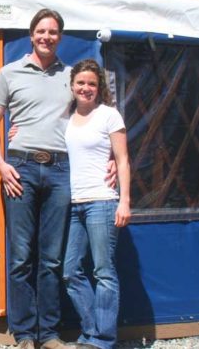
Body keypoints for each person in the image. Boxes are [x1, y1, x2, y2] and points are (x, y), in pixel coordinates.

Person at [0, 8, 74, 349]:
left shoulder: (72, 75)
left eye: (52, 32)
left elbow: (95, 117)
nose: (46, 37)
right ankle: (24, 334)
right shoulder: (10, 72)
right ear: (31, 34)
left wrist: (113, 156)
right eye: (41, 31)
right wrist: (0, 162)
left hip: (60, 169)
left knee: (51, 257)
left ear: (60, 37)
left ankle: (49, 333)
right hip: (19, 168)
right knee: (22, 255)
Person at [62, 59, 130, 349]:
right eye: (81, 83)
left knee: (103, 271)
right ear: (72, 85)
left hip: (102, 201)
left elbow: (123, 159)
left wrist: (125, 201)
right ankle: (92, 331)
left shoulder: (109, 115)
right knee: (70, 271)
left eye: (91, 83)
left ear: (99, 87)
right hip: (75, 203)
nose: (86, 88)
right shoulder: (66, 116)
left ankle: (102, 340)